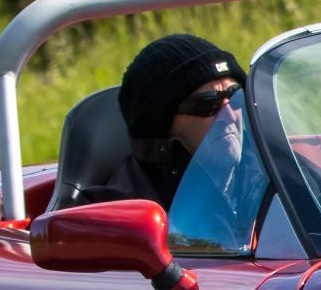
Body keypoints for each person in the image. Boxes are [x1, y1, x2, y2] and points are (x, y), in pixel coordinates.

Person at [85, 33, 245, 208]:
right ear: (163, 127)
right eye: (208, 103)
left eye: (236, 96)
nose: (230, 115)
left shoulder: (269, 167)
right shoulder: (118, 212)